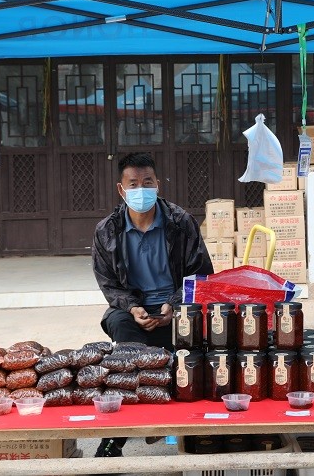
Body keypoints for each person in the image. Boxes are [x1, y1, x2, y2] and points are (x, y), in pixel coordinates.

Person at [91, 151, 213, 458]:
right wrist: (134, 308)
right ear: (121, 190)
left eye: (147, 182)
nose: (141, 189)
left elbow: (201, 274)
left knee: (191, 353)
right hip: (134, 310)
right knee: (123, 343)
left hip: (177, 309)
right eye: (133, 184)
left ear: (158, 184)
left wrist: (173, 305)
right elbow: (108, 283)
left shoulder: (180, 222)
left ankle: (191, 429)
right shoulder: (107, 230)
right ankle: (114, 439)